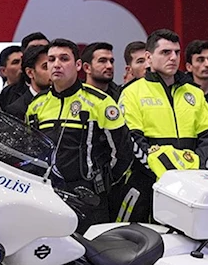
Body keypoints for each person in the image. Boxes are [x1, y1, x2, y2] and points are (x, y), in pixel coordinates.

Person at [26, 39, 132, 232]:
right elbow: (30, 150)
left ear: (77, 65)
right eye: (51, 59)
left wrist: (102, 182)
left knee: (92, 257)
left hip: (88, 198)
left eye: (64, 58)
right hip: (47, 195)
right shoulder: (37, 105)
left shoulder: (100, 102)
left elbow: (123, 152)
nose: (56, 64)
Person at [117, 30, 208, 222]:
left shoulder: (194, 93)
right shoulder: (132, 93)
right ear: (148, 57)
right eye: (165, 52)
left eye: (177, 52)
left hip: (191, 185)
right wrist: (166, 172)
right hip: (148, 184)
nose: (173, 58)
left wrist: (198, 167)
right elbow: (132, 138)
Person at [5, 45, 49, 121]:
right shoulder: (16, 110)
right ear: (30, 73)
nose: (52, 70)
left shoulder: (64, 99)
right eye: (45, 67)